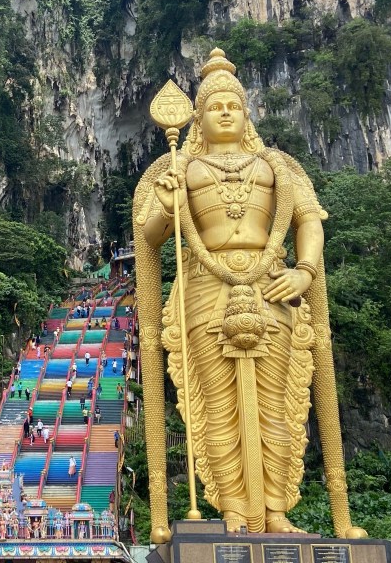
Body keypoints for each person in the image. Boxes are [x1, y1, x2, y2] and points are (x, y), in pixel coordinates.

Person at [133, 48, 364, 539]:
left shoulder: (276, 165)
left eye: (233, 105)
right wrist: (169, 204)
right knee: (217, 408)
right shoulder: (182, 166)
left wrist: (303, 272)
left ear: (246, 113)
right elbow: (151, 237)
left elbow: (308, 222)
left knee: (277, 404)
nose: (224, 111)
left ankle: (276, 511)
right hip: (204, 291)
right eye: (214, 105)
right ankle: (235, 512)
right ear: (198, 116)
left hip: (272, 287)